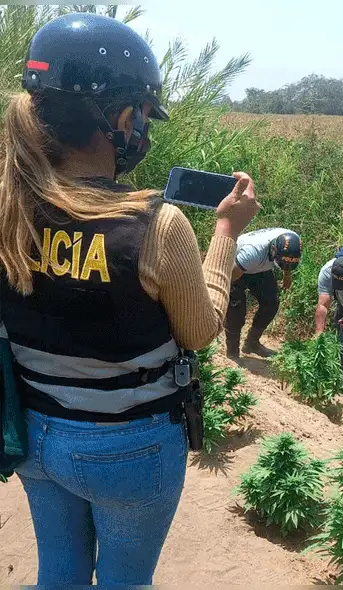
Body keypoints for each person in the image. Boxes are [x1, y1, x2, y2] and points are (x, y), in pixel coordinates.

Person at [0, 13, 260, 585]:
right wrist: (226, 233)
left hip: (34, 434)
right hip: (129, 447)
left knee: (59, 575)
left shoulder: (7, 206)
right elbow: (200, 331)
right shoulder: (156, 225)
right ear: (121, 118)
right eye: (143, 113)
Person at [225, 227, 301, 360]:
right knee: (236, 313)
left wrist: (287, 274)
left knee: (271, 303)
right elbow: (231, 277)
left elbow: (288, 259)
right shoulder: (252, 252)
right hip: (236, 268)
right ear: (273, 250)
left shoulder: (294, 243)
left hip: (260, 269)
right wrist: (226, 296)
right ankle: (232, 353)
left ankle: (252, 343)